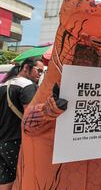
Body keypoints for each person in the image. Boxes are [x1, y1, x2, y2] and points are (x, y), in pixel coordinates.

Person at [0, 58, 44, 189]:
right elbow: (31, 117)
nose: (40, 74)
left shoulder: (3, 85)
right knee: (24, 177)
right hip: (18, 141)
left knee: (5, 179)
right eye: (38, 70)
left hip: (2, 141)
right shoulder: (27, 86)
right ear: (26, 67)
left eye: (42, 72)